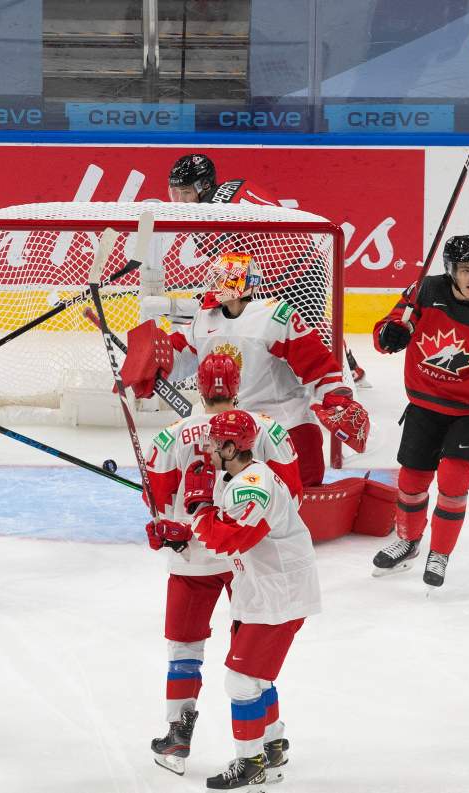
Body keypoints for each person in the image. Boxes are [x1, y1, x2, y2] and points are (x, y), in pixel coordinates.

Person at [145, 353, 301, 778]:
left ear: (198, 384)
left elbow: (157, 501)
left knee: (184, 651)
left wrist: (168, 527)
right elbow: (294, 496)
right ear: (238, 385)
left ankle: (177, 740)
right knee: (252, 661)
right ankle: (271, 742)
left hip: (192, 561)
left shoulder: (171, 435)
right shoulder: (268, 428)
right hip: (247, 563)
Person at [121, 250, 368, 489]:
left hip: (281, 426)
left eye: (223, 278)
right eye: (216, 278)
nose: (217, 284)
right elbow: (180, 355)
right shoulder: (204, 318)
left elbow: (316, 363)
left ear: (244, 285)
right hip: (228, 429)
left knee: (297, 497)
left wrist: (335, 397)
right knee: (213, 492)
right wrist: (152, 366)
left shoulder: (274, 317)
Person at [370, 234, 469, 588]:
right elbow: (388, 328)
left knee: (454, 480)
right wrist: (390, 335)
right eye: (464, 269)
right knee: (412, 480)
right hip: (426, 403)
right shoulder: (424, 292)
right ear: (449, 270)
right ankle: (409, 542)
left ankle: (440, 553)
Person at [177, 410, 321, 790]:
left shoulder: (253, 485)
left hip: (279, 594)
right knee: (256, 678)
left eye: (213, 442)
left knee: (240, 682)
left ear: (230, 447)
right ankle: (272, 747)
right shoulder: (236, 477)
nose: (206, 448)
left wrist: (197, 508)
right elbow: (224, 531)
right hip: (263, 589)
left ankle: (250, 762)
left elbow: (229, 539)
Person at [167, 152, 368, 383]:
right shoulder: (238, 184)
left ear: (203, 185)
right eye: (176, 193)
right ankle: (349, 368)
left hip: (280, 277)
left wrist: (213, 297)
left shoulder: (207, 213)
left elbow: (231, 263)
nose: (180, 201)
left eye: (186, 193)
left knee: (294, 332)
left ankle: (336, 382)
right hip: (309, 262)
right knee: (311, 324)